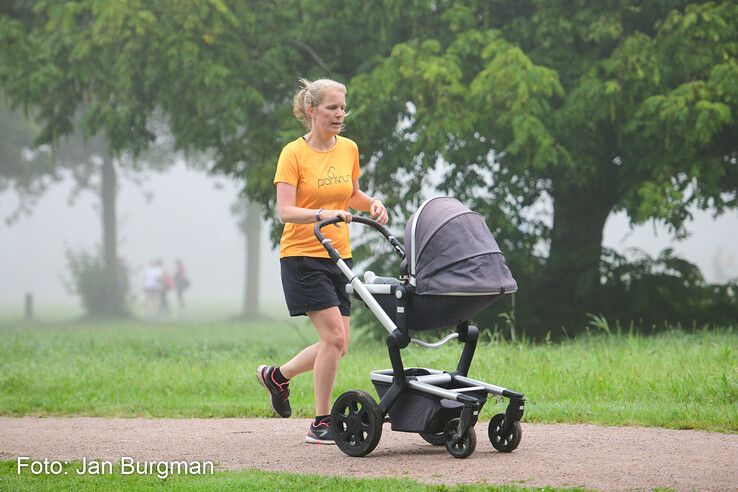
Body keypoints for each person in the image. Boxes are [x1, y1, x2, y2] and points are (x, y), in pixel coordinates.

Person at [257, 78, 388, 445]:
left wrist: (373, 203)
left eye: (343, 108)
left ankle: (278, 377)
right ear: (312, 111)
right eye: (332, 108)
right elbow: (285, 211)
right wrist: (323, 215)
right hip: (302, 256)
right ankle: (320, 421)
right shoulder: (292, 154)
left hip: (338, 257)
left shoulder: (348, 149)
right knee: (332, 337)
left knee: (339, 343)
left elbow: (352, 194)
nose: (340, 115)